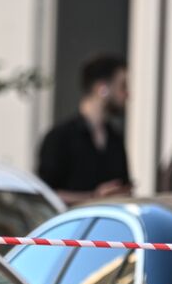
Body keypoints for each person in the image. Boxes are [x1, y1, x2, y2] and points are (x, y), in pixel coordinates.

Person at [36, 57, 132, 204]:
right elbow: (44, 195)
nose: (127, 94)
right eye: (122, 86)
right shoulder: (60, 137)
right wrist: (94, 197)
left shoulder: (115, 139)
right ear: (102, 88)